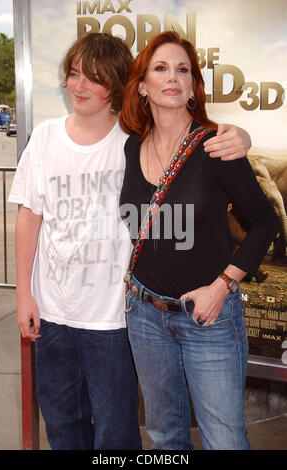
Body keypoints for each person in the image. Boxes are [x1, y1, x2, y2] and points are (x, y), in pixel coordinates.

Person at [9, 32, 252, 450]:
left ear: (120, 84)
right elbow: (30, 216)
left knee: (118, 432)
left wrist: (241, 137)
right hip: (57, 312)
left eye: (95, 77)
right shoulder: (48, 138)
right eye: (74, 75)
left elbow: (198, 146)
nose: (81, 86)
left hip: (116, 318)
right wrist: (24, 295)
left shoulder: (132, 140)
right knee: (64, 423)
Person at [119, 31, 279, 450]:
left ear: (192, 87)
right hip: (145, 313)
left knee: (224, 440)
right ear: (142, 86)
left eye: (183, 70)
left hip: (208, 317)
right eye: (161, 68)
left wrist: (222, 285)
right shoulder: (130, 147)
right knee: (166, 438)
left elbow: (265, 222)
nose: (172, 77)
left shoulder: (216, 146)